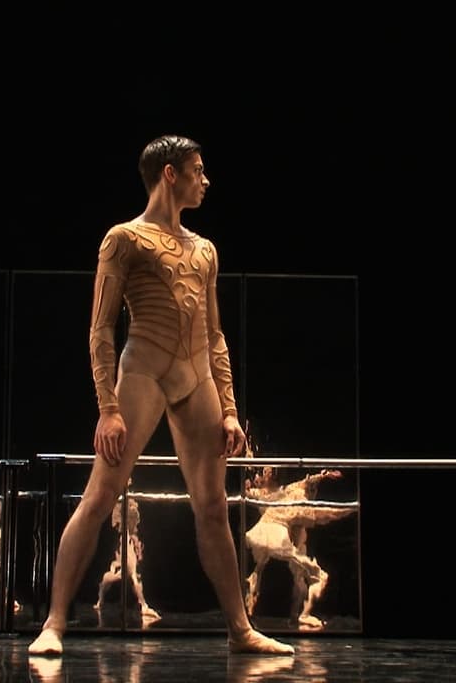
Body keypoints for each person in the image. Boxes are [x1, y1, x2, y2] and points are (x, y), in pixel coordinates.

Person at [27, 135, 292, 656]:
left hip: (197, 376)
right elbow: (101, 329)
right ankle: (54, 623)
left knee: (213, 507)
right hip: (143, 371)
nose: (206, 180)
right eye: (198, 170)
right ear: (170, 174)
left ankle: (240, 630)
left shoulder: (205, 249)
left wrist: (231, 410)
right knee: (100, 496)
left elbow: (214, 334)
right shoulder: (124, 238)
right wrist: (107, 408)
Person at [242, 466, 355, 631]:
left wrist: (322, 475)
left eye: (267, 471)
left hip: (282, 533)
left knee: (297, 573)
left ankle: (299, 614)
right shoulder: (264, 494)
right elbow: (248, 492)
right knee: (310, 572)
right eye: (264, 471)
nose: (264, 474)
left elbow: (306, 483)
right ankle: (250, 612)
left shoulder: (288, 491)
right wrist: (245, 486)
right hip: (272, 533)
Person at [92, 495, 160, 627]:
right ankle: (102, 600)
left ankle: (143, 605)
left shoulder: (131, 537)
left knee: (134, 578)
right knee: (109, 579)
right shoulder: (124, 536)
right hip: (124, 562)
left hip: (129, 560)